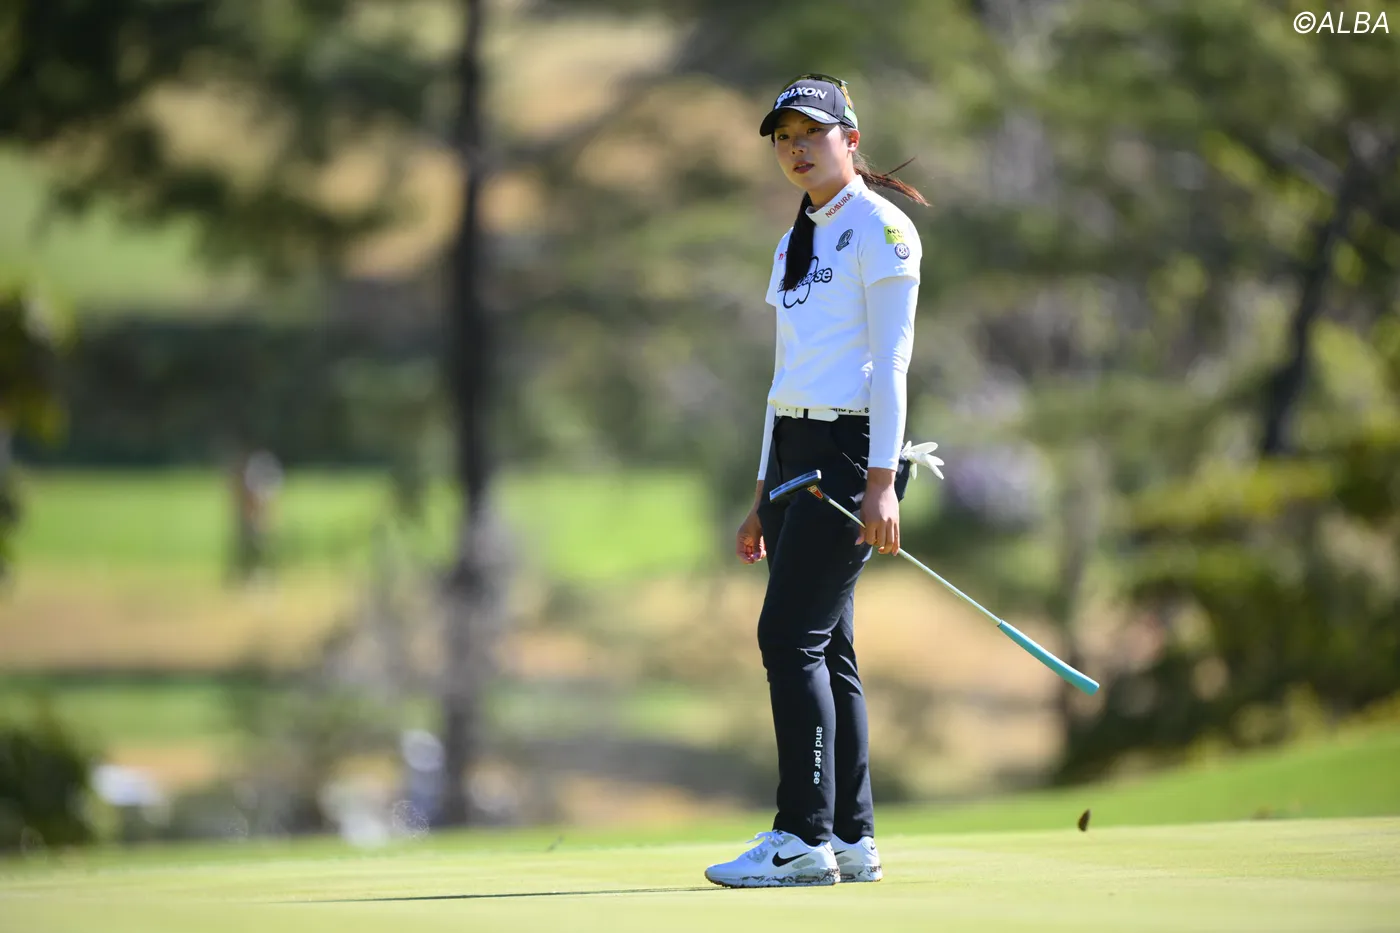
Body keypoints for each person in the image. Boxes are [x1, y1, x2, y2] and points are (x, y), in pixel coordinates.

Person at [704, 73, 929, 888]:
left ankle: (802, 836)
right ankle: (850, 835)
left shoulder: (882, 229)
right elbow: (784, 376)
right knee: (827, 644)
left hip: (852, 451)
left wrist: (882, 482)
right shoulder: (795, 237)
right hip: (796, 449)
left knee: (787, 637)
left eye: (812, 133)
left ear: (850, 139)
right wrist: (760, 496)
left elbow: (892, 366)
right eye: (784, 138)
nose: (796, 149)